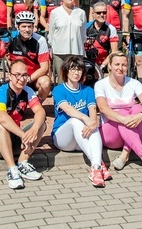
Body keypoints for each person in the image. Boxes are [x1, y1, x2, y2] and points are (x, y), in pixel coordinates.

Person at [94, 51, 142, 177]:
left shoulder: (134, 83)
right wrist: (122, 119)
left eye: (124, 65)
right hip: (111, 134)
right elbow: (103, 108)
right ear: (109, 65)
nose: (120, 68)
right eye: (117, 64)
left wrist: (141, 115)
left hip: (130, 129)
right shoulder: (101, 84)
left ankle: (125, 154)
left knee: (138, 108)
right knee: (122, 111)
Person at [0, 60, 47, 190]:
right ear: (10, 76)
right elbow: (2, 117)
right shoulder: (1, 92)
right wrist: (24, 135)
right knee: (2, 125)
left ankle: (22, 163)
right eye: (17, 75)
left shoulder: (27, 91)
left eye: (24, 75)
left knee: (41, 124)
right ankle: (12, 170)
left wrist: (34, 129)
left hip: (14, 140)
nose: (21, 79)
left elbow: (40, 111)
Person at [51, 56, 109, 187]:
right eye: (72, 69)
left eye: (79, 70)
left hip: (81, 137)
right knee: (74, 121)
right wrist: (85, 118)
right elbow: (67, 109)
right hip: (63, 139)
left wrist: (92, 122)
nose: (76, 72)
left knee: (93, 124)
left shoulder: (88, 90)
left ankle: (96, 167)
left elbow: (92, 110)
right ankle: (99, 163)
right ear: (66, 71)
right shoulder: (58, 90)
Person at [7, 11, 52, 101]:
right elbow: (7, 59)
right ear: (18, 27)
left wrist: (27, 79)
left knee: (46, 83)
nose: (27, 30)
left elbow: (44, 68)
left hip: (33, 77)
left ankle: (37, 103)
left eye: (29, 26)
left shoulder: (40, 40)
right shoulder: (11, 39)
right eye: (23, 26)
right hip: (17, 77)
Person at [47, 0, 87, 81]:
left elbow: (83, 34)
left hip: (76, 51)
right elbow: (51, 33)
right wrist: (51, 48)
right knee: (62, 79)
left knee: (76, 79)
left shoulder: (81, 13)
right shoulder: (55, 13)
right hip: (59, 52)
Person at [86, 1, 118, 69]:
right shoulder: (86, 27)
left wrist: (102, 66)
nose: (102, 15)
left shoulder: (111, 29)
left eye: (104, 12)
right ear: (93, 14)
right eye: (98, 13)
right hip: (86, 62)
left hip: (103, 64)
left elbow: (114, 51)